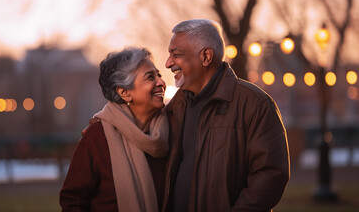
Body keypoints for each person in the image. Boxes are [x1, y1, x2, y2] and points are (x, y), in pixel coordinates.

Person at [162, 19, 290, 212]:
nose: (168, 63)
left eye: (176, 55)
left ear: (205, 56)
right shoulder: (175, 108)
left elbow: (270, 176)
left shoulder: (254, 104)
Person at [60, 47, 169, 212]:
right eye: (150, 77)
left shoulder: (171, 130)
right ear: (125, 93)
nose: (161, 82)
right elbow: (72, 201)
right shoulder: (97, 136)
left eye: (159, 75)